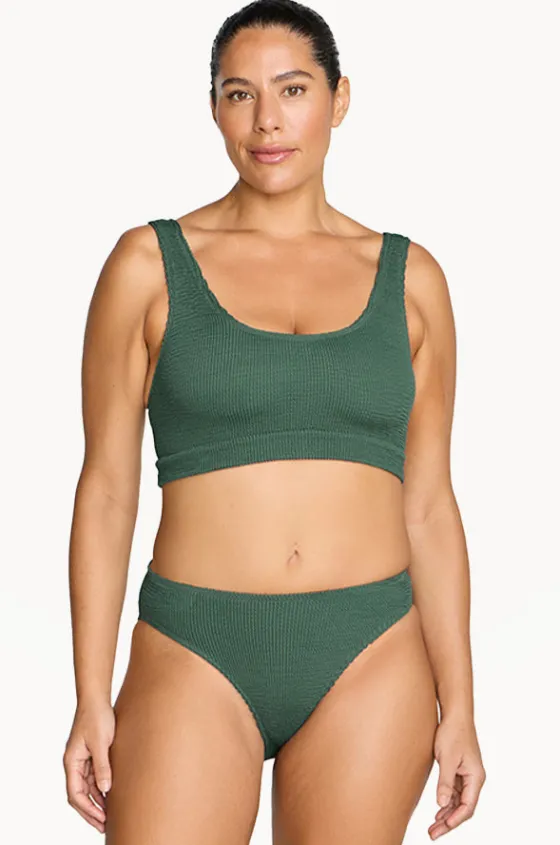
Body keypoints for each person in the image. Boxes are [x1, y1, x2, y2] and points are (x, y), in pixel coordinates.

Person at [62, 1, 486, 842]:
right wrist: (88, 694)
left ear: (339, 98)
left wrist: (463, 704)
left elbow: (431, 503)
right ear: (214, 109)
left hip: (372, 652)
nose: (267, 121)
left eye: (293, 89)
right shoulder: (147, 266)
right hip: (194, 645)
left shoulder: (412, 281)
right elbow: (106, 490)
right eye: (239, 94)